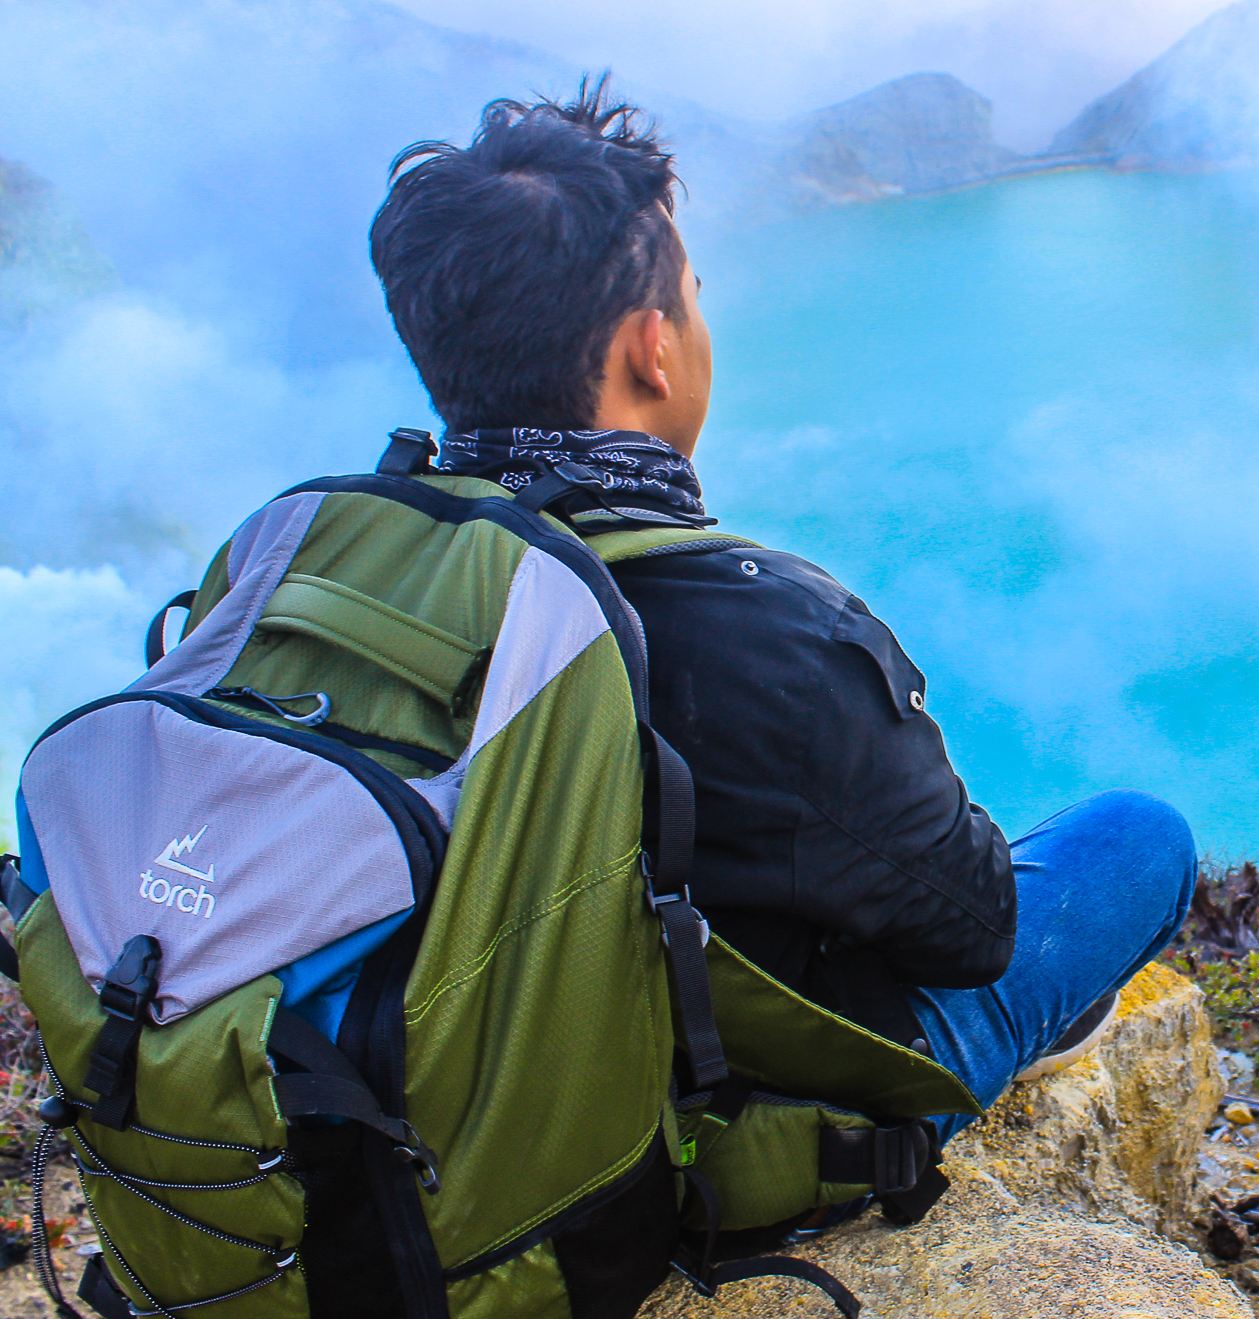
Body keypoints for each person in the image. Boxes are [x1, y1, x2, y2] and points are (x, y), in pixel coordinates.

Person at [366, 79, 1197, 1148]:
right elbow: (973, 926)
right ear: (650, 348)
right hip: (687, 1126)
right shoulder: (767, 634)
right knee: (1140, 839)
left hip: (413, 1080)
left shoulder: (342, 568)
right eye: (695, 297)